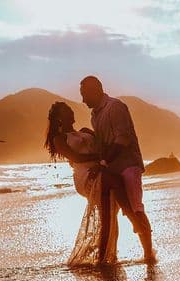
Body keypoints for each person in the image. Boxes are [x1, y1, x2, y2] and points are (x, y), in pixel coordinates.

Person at [79, 75, 156, 263]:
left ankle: (148, 252)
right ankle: (108, 255)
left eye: (84, 95)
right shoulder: (95, 115)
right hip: (112, 167)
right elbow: (105, 141)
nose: (82, 100)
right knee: (111, 214)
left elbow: (122, 140)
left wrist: (103, 162)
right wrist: (92, 136)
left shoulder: (116, 107)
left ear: (95, 90)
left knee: (135, 209)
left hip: (128, 165)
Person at [44, 101, 119, 266]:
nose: (71, 112)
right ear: (59, 119)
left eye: (70, 109)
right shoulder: (60, 139)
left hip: (101, 169)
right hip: (85, 175)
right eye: (66, 111)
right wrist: (99, 160)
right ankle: (102, 258)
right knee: (107, 206)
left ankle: (108, 253)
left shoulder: (85, 131)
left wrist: (102, 160)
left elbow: (104, 145)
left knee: (109, 212)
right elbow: (76, 158)